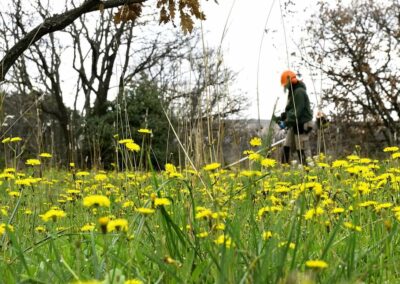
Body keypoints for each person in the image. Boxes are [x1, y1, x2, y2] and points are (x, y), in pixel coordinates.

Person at [277, 70, 313, 165]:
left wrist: (286, 122)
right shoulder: (292, 92)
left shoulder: (299, 92)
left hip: (302, 124)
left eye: (285, 84)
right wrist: (285, 116)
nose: (284, 86)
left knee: (301, 149)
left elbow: (297, 112)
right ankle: (284, 169)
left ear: (290, 81)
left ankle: (308, 170)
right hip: (294, 123)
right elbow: (292, 110)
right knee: (286, 147)